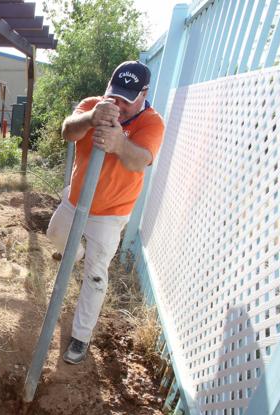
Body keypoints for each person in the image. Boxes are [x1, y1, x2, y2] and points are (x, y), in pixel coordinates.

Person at [48, 60, 165, 364]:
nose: (119, 104)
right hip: (74, 202)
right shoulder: (93, 104)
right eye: (115, 95)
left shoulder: (152, 123)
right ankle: (75, 252)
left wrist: (119, 144)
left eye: (127, 99)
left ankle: (80, 337)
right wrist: (90, 118)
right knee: (57, 237)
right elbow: (67, 132)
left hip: (110, 213)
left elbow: (140, 160)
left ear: (143, 93)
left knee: (96, 275)